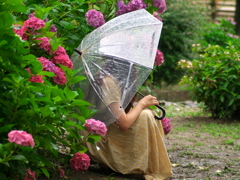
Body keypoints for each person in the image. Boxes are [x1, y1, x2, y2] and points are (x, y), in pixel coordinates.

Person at [83, 71, 173, 180]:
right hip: (97, 138)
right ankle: (131, 165)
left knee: (148, 114)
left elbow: (120, 115)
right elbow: (124, 124)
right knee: (146, 116)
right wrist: (142, 103)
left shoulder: (118, 81)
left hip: (108, 130)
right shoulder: (109, 82)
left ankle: (136, 164)